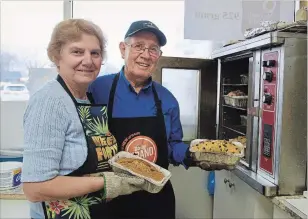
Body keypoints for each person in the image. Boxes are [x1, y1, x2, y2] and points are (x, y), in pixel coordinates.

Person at [88, 20, 230, 219]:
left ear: (159, 56)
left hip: (155, 200)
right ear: (123, 49)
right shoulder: (97, 90)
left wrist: (195, 154)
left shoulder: (167, 99)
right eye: (138, 46)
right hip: (111, 199)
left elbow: (172, 146)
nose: (146, 55)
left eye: (153, 49)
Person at [21, 19, 150, 219]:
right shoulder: (50, 101)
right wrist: (106, 182)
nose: (88, 61)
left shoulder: (86, 97)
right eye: (77, 52)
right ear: (57, 56)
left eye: (95, 53)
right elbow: (35, 188)